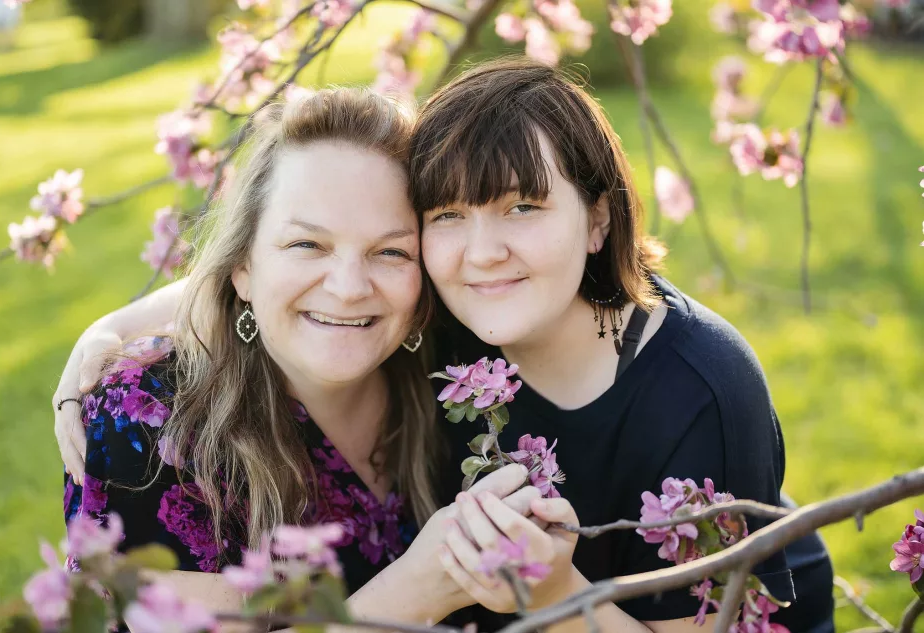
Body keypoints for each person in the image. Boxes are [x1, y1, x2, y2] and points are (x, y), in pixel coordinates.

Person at [53, 60, 834, 630]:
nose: (481, 253)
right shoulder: (151, 427)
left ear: (599, 219)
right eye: (449, 217)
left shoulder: (683, 382)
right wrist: (110, 329)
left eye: (523, 206)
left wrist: (551, 586)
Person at [58, 87, 543, 626]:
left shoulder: (461, 375)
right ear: (242, 265)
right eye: (307, 245)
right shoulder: (146, 427)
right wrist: (409, 597)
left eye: (390, 252)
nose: (349, 288)